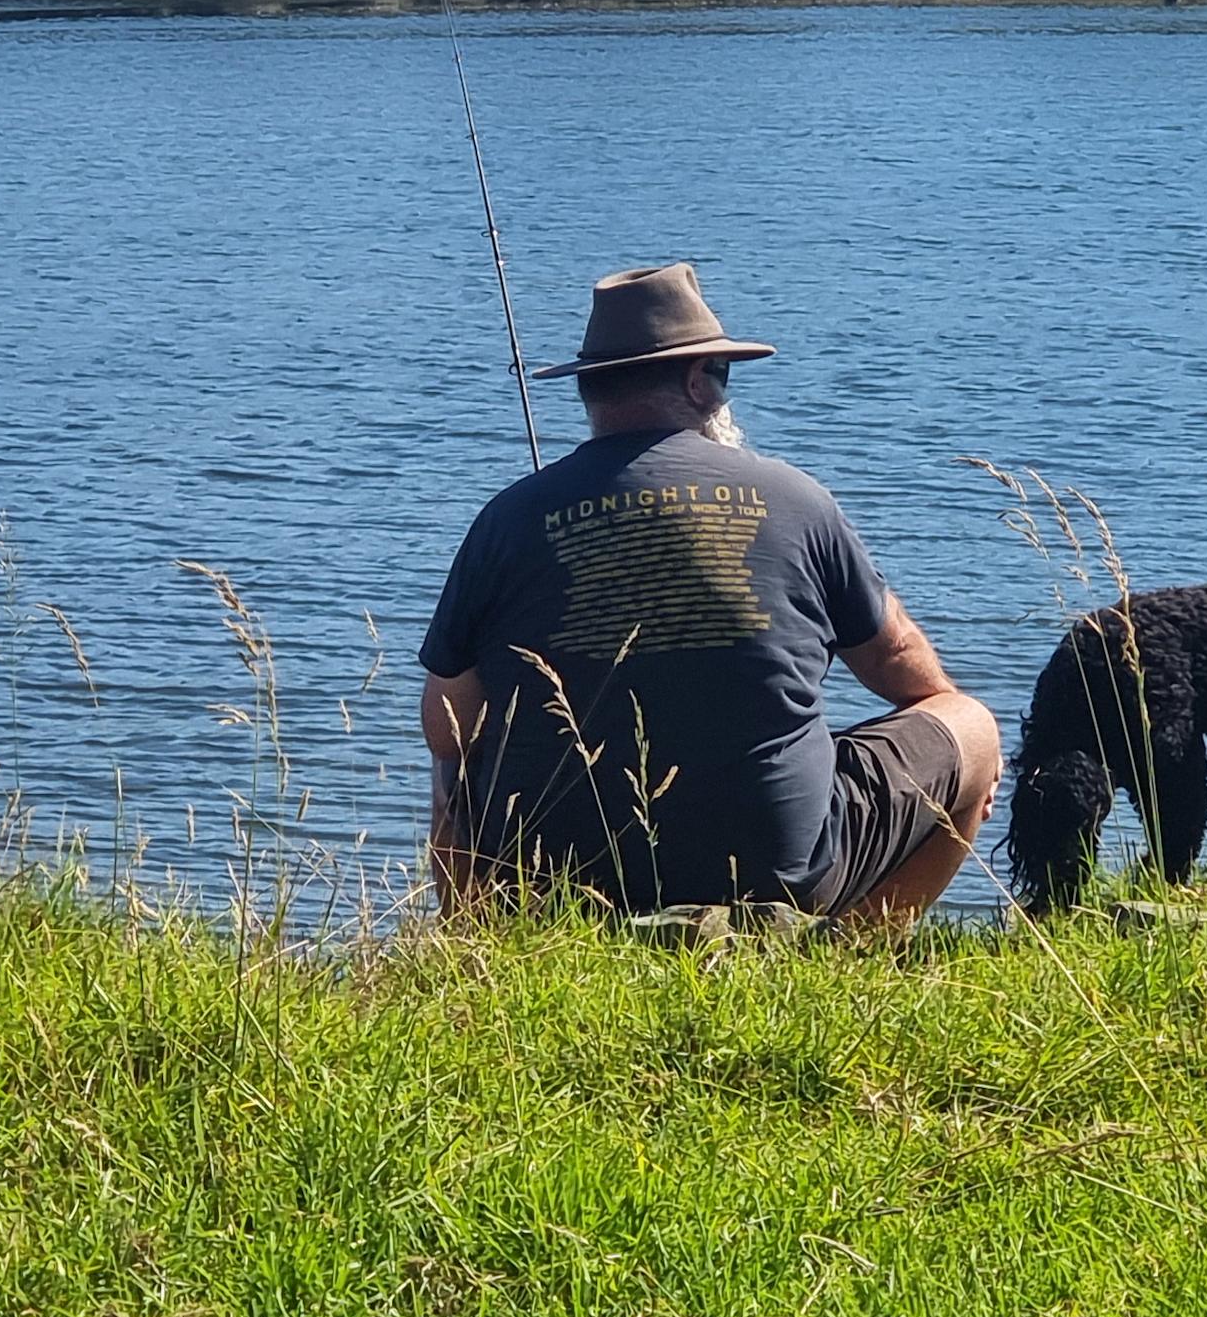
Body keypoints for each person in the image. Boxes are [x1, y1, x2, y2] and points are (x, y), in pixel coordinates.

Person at [419, 262, 1001, 927]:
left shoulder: (507, 518)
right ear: (697, 382)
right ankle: (845, 958)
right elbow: (903, 669)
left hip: (553, 877)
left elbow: (447, 728)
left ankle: (476, 951)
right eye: (723, 378)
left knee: (451, 773)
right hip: (780, 870)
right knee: (973, 729)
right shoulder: (796, 499)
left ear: (592, 393)